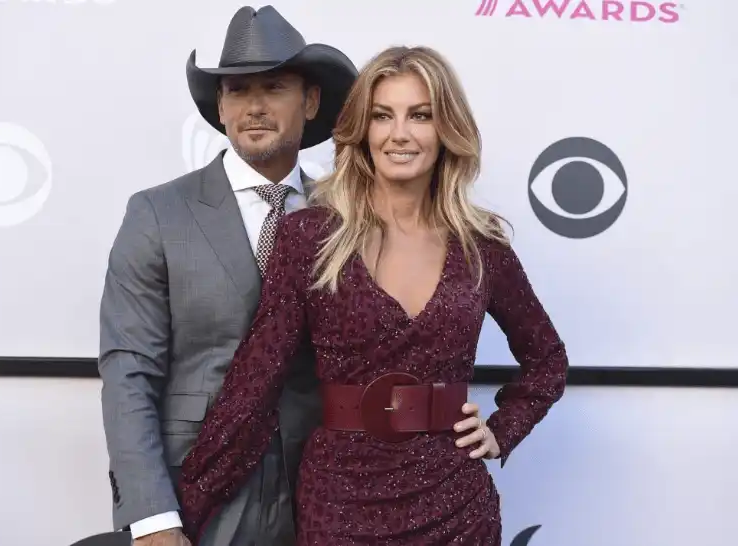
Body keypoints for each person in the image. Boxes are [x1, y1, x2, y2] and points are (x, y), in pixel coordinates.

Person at [98, 7, 490, 546]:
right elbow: (129, 372)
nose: (255, 106)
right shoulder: (158, 214)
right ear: (220, 106)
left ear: (310, 102)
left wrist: (456, 421)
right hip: (197, 495)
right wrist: (153, 517)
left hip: (326, 495)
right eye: (237, 90)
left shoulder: (353, 218)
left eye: (274, 87)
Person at [176, 44, 569, 545]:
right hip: (340, 502)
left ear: (446, 128)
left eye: (420, 115)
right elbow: (255, 383)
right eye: (382, 116)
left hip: (456, 504)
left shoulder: (481, 245)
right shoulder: (309, 236)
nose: (399, 133)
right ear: (362, 129)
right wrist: (179, 512)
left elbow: (547, 359)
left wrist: (503, 430)